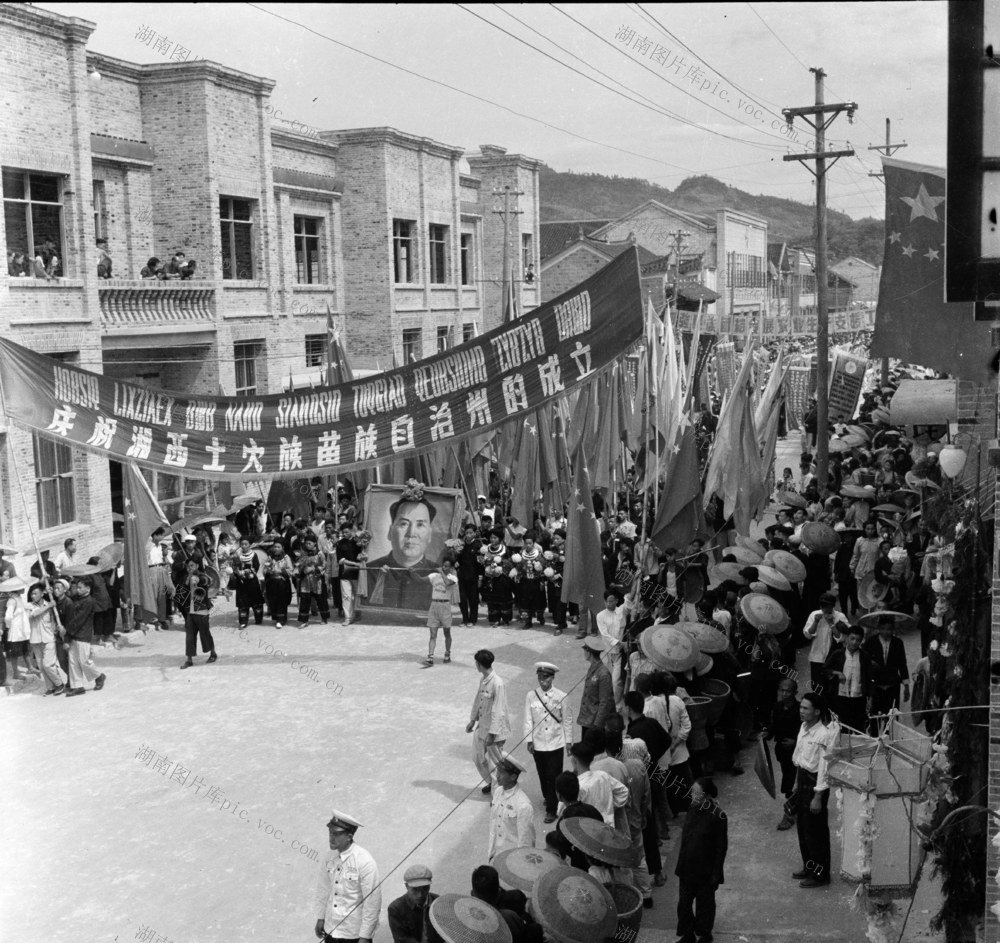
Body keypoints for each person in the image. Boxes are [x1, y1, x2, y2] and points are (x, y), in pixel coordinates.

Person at [791, 691, 839, 888]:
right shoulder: (804, 727)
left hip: (815, 785)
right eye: (801, 707)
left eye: (805, 708)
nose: (801, 711)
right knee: (803, 829)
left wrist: (818, 796)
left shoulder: (824, 735)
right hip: (802, 779)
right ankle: (809, 867)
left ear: (817, 712)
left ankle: (821, 875)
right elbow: (800, 757)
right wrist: (795, 783)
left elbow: (824, 767)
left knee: (816, 832)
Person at [313, 810, 381, 943]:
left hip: (353, 935)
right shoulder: (329, 858)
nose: (331, 838)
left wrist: (365, 936)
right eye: (330, 832)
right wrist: (320, 917)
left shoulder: (364, 861)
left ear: (349, 836)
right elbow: (323, 889)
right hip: (330, 930)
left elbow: (372, 902)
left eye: (337, 834)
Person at [675, 778, 728, 943]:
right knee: (684, 904)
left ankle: (705, 934)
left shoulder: (718, 816)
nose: (691, 795)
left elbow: (721, 848)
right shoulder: (692, 809)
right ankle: (688, 933)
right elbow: (686, 838)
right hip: (687, 868)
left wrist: (716, 874)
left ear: (705, 795)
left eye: (695, 793)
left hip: (705, 871)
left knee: (705, 906)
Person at [369, 495, 441, 609]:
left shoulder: (440, 574)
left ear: (430, 535)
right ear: (390, 532)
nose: (411, 533)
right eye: (403, 524)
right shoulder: (369, 572)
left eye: (420, 524)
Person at [523, 662, 573, 823]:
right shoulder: (531, 695)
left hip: (555, 743)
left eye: (545, 677)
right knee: (542, 774)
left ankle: (551, 809)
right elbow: (528, 719)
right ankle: (548, 796)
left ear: (552, 678)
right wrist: (529, 740)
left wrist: (569, 742)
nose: (542, 681)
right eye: (539, 677)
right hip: (538, 743)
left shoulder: (561, 696)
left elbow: (567, 721)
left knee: (553, 776)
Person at [467, 649, 510, 794]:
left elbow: (499, 710)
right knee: (477, 758)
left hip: (493, 731)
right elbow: (477, 700)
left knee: (493, 764)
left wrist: (492, 734)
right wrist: (472, 720)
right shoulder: (484, 680)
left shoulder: (497, 683)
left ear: (479, 664)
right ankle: (491, 783)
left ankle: (497, 795)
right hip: (482, 726)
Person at [545, 771, 603, 870]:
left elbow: (564, 852)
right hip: (599, 862)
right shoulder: (592, 810)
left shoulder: (564, 822)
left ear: (558, 795)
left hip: (579, 869)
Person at [862, 615, 910, 732]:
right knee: (874, 717)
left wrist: (906, 686)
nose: (886, 632)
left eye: (889, 629)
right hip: (876, 685)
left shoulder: (898, 643)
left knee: (892, 717)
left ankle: (890, 741)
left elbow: (902, 664)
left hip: (892, 685)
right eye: (883, 629)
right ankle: (874, 741)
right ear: (878, 628)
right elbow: (863, 660)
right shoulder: (870, 642)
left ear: (893, 629)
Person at [824, 624, 872, 734]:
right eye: (852, 638)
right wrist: (837, 673)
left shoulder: (864, 656)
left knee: (859, 726)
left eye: (858, 640)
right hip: (841, 697)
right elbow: (825, 669)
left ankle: (858, 750)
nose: (854, 642)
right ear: (847, 638)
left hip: (858, 697)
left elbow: (870, 678)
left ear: (861, 641)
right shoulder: (838, 654)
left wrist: (870, 698)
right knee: (842, 727)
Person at [767, 680, 801, 831]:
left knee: (795, 782)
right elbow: (774, 725)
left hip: (798, 753)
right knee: (788, 779)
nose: (784, 694)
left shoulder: (801, 709)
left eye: (788, 691)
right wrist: (767, 734)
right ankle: (795, 806)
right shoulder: (777, 706)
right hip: (782, 751)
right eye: (782, 690)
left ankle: (789, 814)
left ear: (794, 692)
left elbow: (806, 731)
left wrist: (795, 742)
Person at [488, 753, 536, 861]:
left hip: (512, 859)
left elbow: (526, 841)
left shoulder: (523, 805)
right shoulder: (498, 792)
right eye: (497, 771)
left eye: (501, 773)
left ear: (513, 777)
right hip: (496, 853)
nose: (497, 776)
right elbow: (494, 825)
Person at [569, 741, 629, 828]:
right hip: (608, 827)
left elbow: (564, 811)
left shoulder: (577, 785)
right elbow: (623, 792)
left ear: (574, 760)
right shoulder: (602, 775)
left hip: (587, 831)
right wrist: (609, 809)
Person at [62, 578, 106, 696]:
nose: (78, 589)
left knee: (84, 661)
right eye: (77, 587)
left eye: (81, 587)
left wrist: (67, 634)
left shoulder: (89, 601)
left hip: (83, 634)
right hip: (73, 634)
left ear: (88, 588)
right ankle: (78, 686)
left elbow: (78, 620)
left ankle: (99, 676)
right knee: (73, 661)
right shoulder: (76, 599)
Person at [175, 558, 217, 669]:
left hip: (202, 609)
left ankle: (213, 653)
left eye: (192, 566)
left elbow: (207, 580)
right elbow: (181, 592)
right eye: (188, 566)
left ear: (197, 566)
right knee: (189, 635)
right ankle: (189, 659)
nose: (190, 568)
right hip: (190, 610)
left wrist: (198, 580)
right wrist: (188, 580)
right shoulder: (185, 577)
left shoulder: (202, 575)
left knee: (205, 633)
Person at [26, 582, 67, 695]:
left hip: (49, 638)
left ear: (42, 594)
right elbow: (33, 614)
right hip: (35, 640)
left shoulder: (51, 605)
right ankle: (50, 687)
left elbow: (54, 620)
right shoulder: (29, 606)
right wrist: (48, 606)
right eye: (32, 594)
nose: (33, 596)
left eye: (35, 594)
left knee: (48, 664)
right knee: (41, 666)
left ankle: (59, 684)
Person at [802, 593, 848, 692]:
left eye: (828, 606)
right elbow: (808, 635)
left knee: (832, 688)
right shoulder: (814, 614)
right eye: (823, 606)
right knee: (817, 688)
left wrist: (832, 623)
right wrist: (815, 622)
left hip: (834, 659)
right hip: (817, 658)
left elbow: (842, 638)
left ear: (833, 606)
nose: (825, 609)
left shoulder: (840, 616)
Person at [387, 864, 442, 943]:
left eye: (425, 888)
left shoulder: (438, 903)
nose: (420, 895)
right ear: (406, 886)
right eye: (415, 890)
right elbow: (401, 939)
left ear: (429, 886)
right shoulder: (396, 908)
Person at [421, 555, 458, 666]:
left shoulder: (453, 578)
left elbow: (446, 583)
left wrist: (441, 572)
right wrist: (411, 572)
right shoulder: (433, 576)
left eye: (446, 566)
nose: (443, 567)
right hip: (434, 606)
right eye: (443, 565)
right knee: (432, 634)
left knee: (447, 633)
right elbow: (420, 580)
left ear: (451, 568)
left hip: (445, 606)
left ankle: (447, 653)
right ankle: (430, 657)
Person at [577, 636, 614, 741]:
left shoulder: (603, 674)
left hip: (594, 722)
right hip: (587, 718)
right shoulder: (593, 667)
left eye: (585, 649)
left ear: (589, 652)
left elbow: (605, 702)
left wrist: (597, 725)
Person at [596, 588, 626, 712]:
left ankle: (617, 707)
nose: (609, 604)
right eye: (607, 601)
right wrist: (619, 642)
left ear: (616, 601)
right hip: (606, 653)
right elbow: (605, 634)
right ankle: (604, 706)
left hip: (618, 653)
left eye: (612, 601)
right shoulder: (600, 616)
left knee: (616, 681)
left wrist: (637, 579)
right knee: (605, 681)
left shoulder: (621, 611)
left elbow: (630, 599)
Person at [297, 534, 330, 626]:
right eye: (306, 543)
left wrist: (313, 569)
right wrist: (302, 569)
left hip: (317, 579)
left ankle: (324, 618)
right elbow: (300, 565)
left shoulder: (320, 554)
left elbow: (324, 565)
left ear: (315, 543)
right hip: (306, 581)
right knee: (305, 600)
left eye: (309, 543)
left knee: (320, 599)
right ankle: (304, 620)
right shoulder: (303, 554)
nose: (307, 545)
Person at [231, 538, 264, 627]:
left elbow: (256, 566)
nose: (243, 546)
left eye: (246, 544)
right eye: (242, 544)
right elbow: (234, 567)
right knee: (242, 601)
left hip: (252, 581)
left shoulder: (254, 555)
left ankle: (258, 619)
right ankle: (243, 621)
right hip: (241, 582)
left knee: (256, 600)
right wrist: (238, 572)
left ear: (250, 544)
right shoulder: (237, 555)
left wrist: (248, 571)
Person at [263, 542, 295, 629]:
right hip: (272, 582)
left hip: (282, 581)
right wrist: (268, 570)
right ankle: (277, 618)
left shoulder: (286, 557)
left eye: (278, 547)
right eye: (275, 547)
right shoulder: (269, 557)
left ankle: (281, 620)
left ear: (282, 548)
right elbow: (264, 570)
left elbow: (291, 570)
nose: (276, 549)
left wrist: (281, 571)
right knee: (273, 600)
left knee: (282, 600)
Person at [456, 524, 483, 626]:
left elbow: (481, 564)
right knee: (462, 599)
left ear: (475, 533)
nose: (468, 535)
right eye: (467, 533)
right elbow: (457, 559)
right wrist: (456, 562)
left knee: (473, 599)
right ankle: (464, 619)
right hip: (462, 576)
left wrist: (480, 577)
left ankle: (472, 620)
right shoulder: (461, 545)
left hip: (473, 576)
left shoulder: (478, 546)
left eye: (470, 533)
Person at [336, 525, 363, 626]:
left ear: (352, 531)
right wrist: (355, 564)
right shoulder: (339, 543)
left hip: (357, 573)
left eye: (346, 532)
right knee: (346, 596)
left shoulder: (358, 543)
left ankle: (357, 612)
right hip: (344, 573)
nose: (344, 534)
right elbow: (340, 560)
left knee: (357, 594)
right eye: (343, 532)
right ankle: (348, 617)